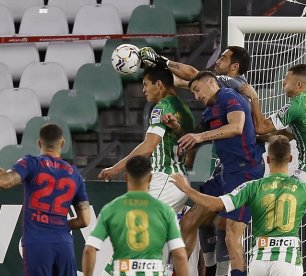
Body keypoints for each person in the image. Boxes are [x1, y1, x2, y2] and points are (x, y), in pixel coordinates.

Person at [140, 45, 259, 276]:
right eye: (192, 92)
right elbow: (192, 140)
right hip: (226, 171)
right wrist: (177, 127)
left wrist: (161, 61)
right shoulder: (210, 109)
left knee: (232, 235)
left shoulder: (229, 91)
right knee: (192, 221)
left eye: (223, 58)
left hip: (246, 172)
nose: (195, 96)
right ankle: (187, 271)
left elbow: (236, 127)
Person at [170, 135, 306, 276]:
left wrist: (188, 189)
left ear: (267, 160)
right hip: (288, 261)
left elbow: (214, 203)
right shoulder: (304, 189)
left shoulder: (252, 186)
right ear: (291, 159)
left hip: (259, 260)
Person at [240, 64, 306, 276]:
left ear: (298, 84)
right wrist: (250, 136)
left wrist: (254, 98)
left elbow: (262, 128)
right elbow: (281, 137)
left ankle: (272, 263)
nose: (282, 82)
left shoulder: (296, 103)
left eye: (286, 79)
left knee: (277, 211)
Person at [98, 67, 195, 213]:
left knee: (134, 223)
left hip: (165, 179)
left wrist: (116, 168)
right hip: (180, 180)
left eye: (145, 84)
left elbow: (149, 146)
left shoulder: (161, 107)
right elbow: (189, 158)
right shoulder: (185, 109)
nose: (143, 90)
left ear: (159, 85)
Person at [0, 123, 90, 276]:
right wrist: (59, 224)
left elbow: (6, 181)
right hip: (64, 245)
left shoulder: (31, 163)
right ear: (62, 143)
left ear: (39, 143)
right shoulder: (74, 174)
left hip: (37, 244)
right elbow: (85, 220)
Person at [83, 155, 189, 276]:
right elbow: (180, 255)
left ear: (126, 177)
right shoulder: (166, 211)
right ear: (150, 178)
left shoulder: (111, 209)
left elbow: (89, 250)